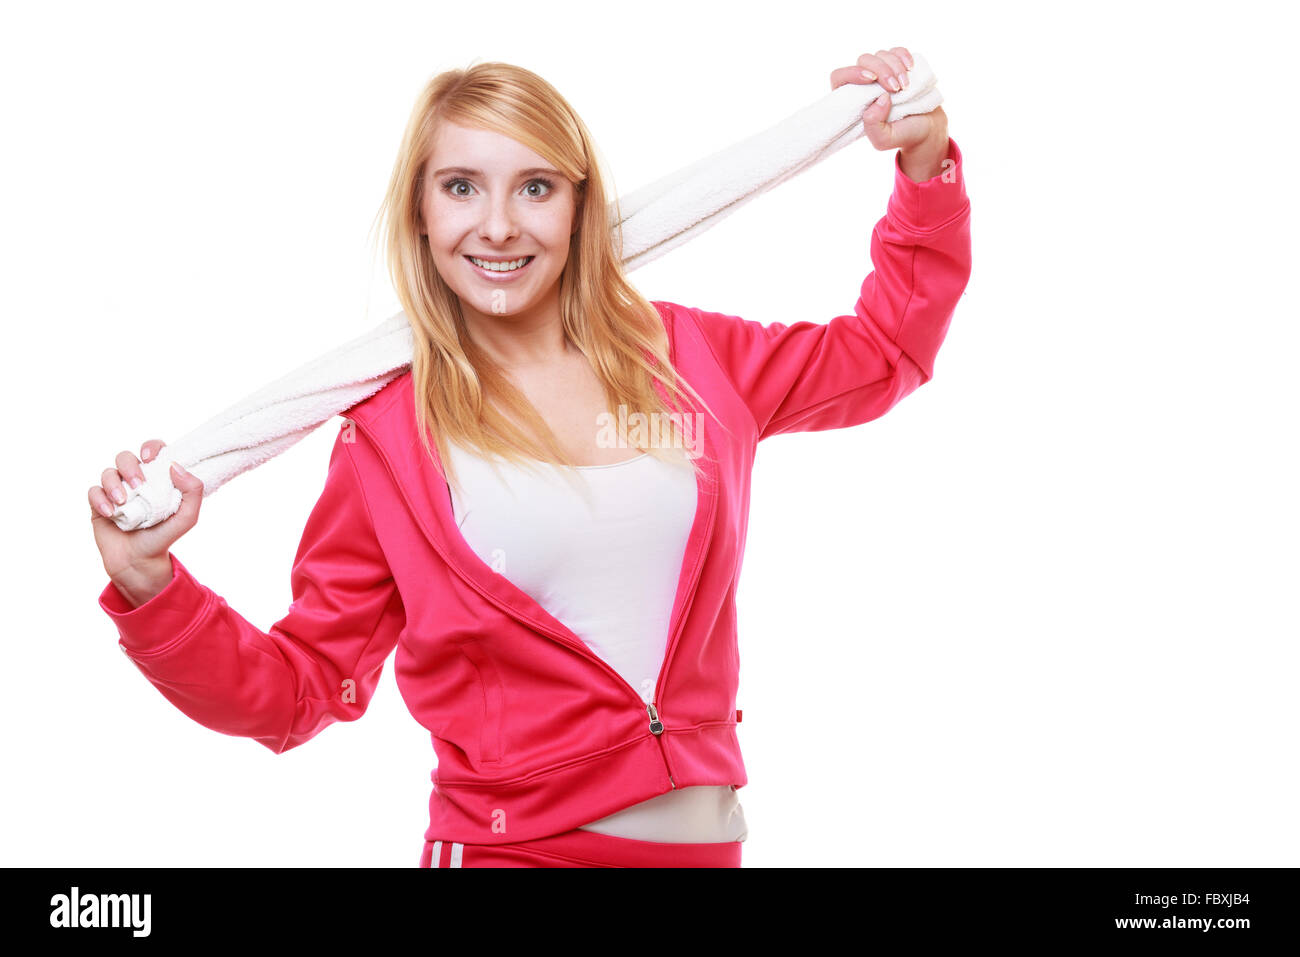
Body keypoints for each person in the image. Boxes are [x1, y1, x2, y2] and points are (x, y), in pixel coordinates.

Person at [89, 46, 972, 867]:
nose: (500, 226)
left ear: (580, 205)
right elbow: (300, 690)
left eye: (537, 188)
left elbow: (886, 353)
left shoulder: (692, 362)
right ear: (422, 213)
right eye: (463, 187)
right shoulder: (386, 439)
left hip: (705, 848)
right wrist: (151, 590)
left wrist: (924, 167)